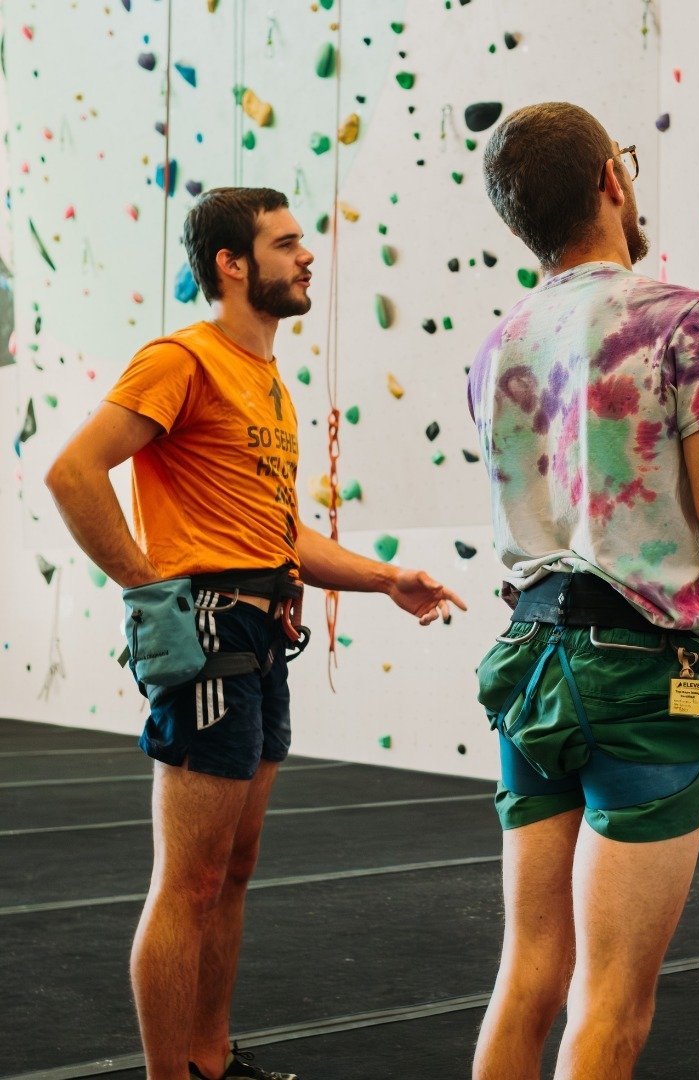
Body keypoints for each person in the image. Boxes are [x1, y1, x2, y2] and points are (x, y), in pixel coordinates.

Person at [45, 187, 466, 1080]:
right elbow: (73, 472)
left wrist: (387, 577)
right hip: (209, 634)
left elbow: (279, 535)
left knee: (232, 873)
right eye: (285, 243)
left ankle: (208, 1059)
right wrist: (149, 587)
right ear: (232, 264)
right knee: (189, 882)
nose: (306, 257)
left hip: (265, 635)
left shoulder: (267, 380)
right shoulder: (181, 359)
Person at [467, 103, 699, 1080]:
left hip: (528, 664)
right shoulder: (686, 322)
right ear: (613, 181)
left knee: (527, 974)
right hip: (638, 676)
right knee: (610, 1005)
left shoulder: (499, 347)